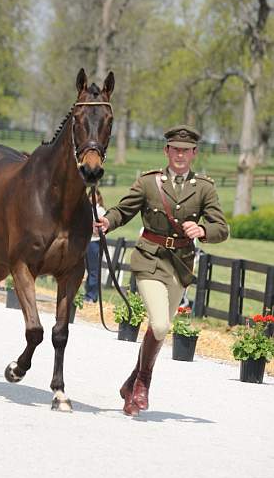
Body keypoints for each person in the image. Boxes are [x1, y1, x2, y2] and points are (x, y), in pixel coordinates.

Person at [95, 124, 228, 416]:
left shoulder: (204, 188)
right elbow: (123, 210)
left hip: (179, 264)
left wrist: (203, 230)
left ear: (194, 153)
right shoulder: (148, 183)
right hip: (149, 259)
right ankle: (143, 382)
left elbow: (222, 229)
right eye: (175, 149)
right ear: (167, 151)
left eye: (186, 150)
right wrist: (108, 222)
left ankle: (131, 384)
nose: (180, 155)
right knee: (159, 325)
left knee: (158, 330)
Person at [84, 189, 106, 303]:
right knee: (87, 269)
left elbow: (101, 228)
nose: (92, 198)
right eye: (90, 196)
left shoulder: (100, 210)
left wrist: (92, 228)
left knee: (93, 270)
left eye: (94, 196)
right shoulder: (86, 209)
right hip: (86, 241)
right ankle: (88, 293)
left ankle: (92, 295)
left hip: (95, 242)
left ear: (98, 197)